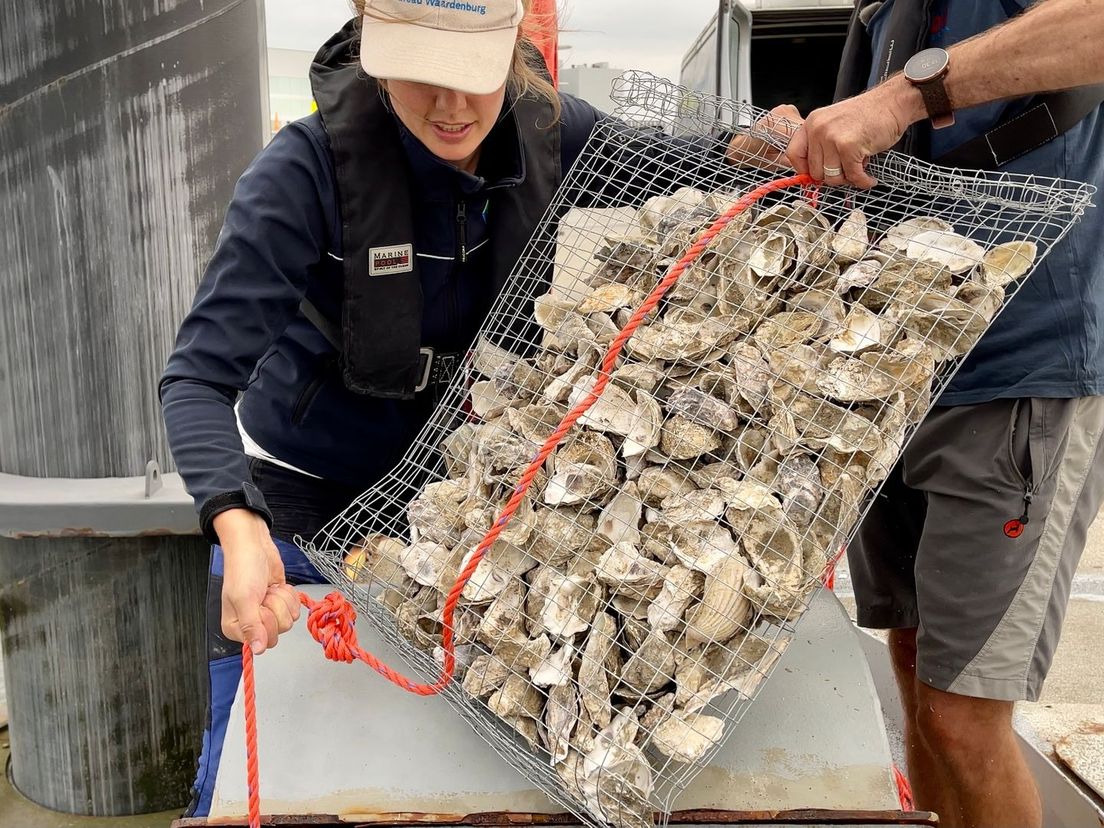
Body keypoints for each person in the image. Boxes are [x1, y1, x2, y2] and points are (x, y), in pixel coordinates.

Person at [160, 0, 742, 815]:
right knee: (270, 781)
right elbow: (195, 380)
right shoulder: (302, 170)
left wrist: (760, 143)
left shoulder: (551, 128)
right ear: (372, 49)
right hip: (301, 506)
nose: (451, 106)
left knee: (461, 780)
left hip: (463, 506)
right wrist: (236, 521)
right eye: (421, 73)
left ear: (513, 51)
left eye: (473, 75)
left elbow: (686, 160)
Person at [750, 2, 1104, 826]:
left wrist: (904, 97)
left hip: (1017, 370)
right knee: (913, 671)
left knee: (967, 718)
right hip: (894, 374)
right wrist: (803, 134)